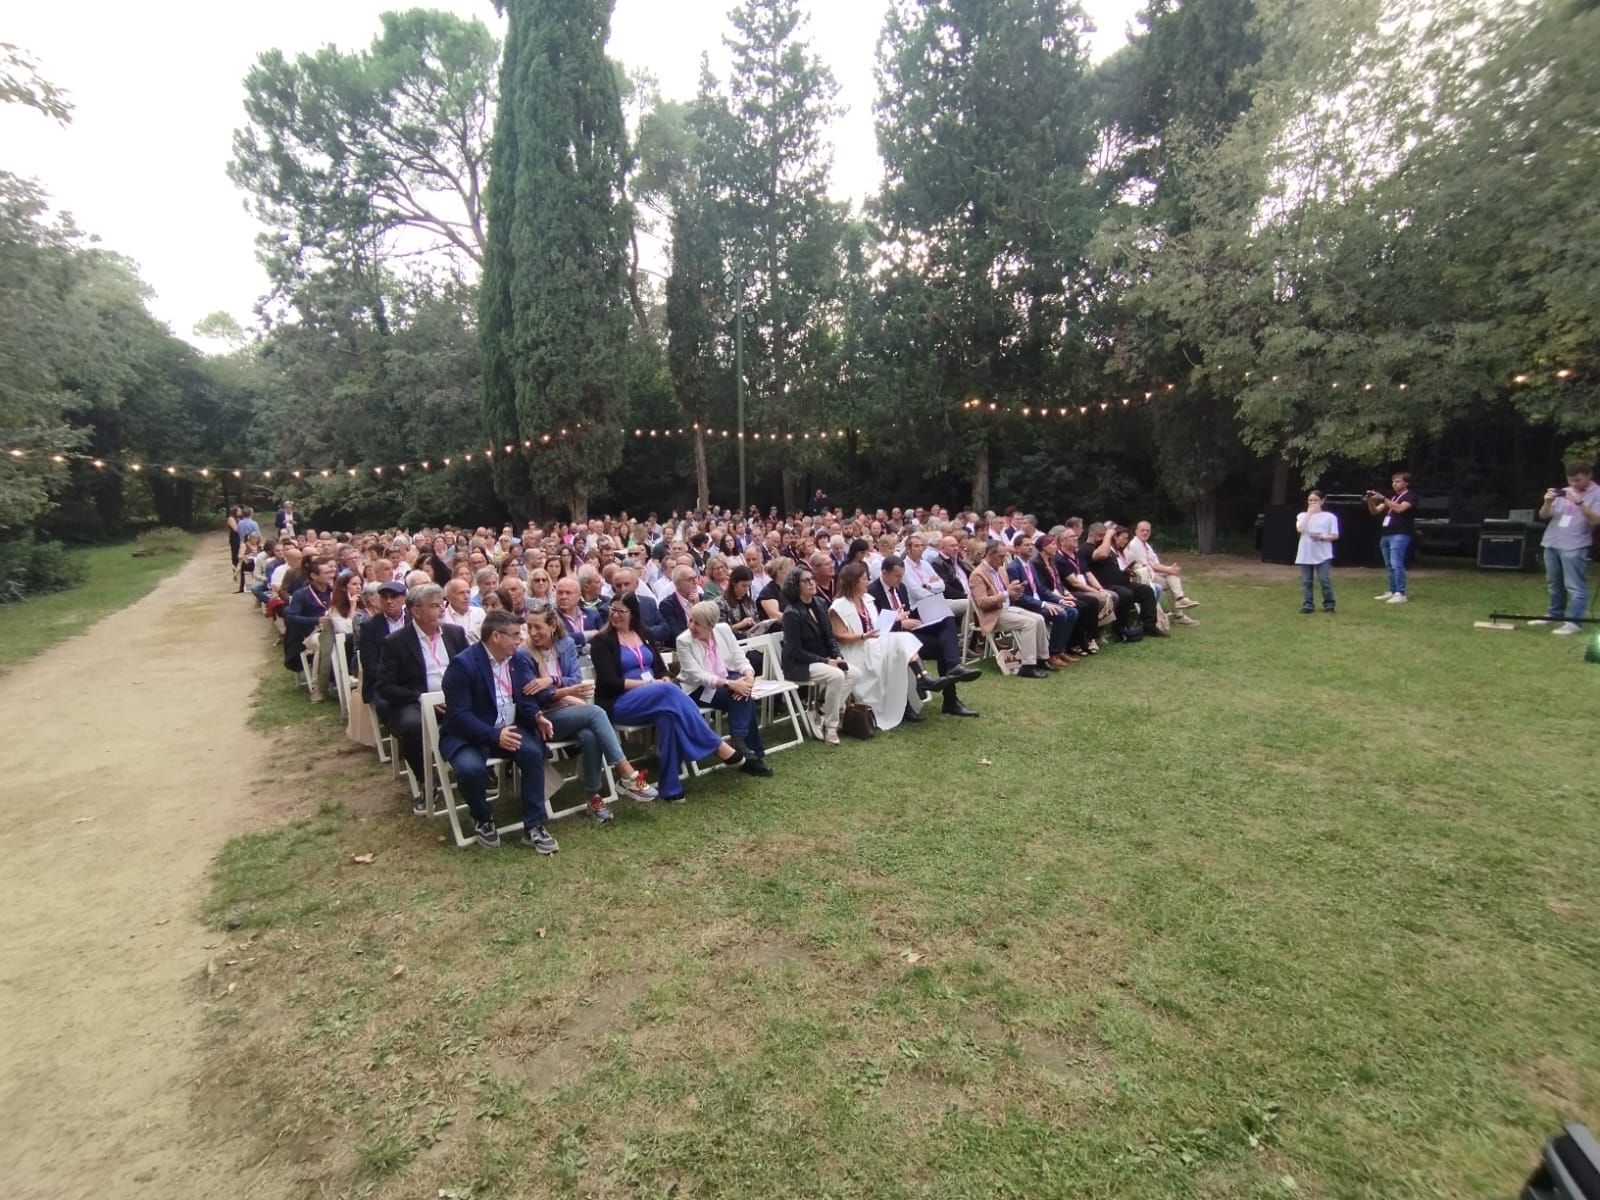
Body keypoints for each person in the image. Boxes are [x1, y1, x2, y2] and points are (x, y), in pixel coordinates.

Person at [590, 592, 759, 803]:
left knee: (669, 716)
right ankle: (717, 746)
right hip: (620, 702)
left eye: (621, 611)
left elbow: (661, 670)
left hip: (656, 699)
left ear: (633, 613)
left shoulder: (644, 634)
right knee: (669, 691)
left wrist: (665, 679)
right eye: (612, 610)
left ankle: (670, 787)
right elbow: (608, 682)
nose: (615, 615)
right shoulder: (601, 641)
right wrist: (652, 684)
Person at [439, 610, 560, 852]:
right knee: (470, 768)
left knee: (533, 752)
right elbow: (459, 715)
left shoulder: (516, 660)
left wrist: (536, 717)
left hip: (509, 728)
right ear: (496, 636)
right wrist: (495, 735)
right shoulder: (463, 664)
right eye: (515, 635)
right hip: (469, 735)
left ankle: (534, 825)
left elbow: (525, 699)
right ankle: (483, 818)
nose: (520, 639)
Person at [522, 608, 658, 823]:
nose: (532, 632)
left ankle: (593, 798)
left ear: (552, 626)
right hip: (542, 717)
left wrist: (554, 682)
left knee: (590, 735)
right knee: (596, 713)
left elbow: (575, 679)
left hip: (570, 710)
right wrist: (563, 692)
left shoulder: (565, 646)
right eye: (529, 627)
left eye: (537, 626)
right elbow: (534, 695)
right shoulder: (524, 653)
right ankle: (627, 774)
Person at [376, 583, 468, 793]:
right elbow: (385, 687)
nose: (442, 609)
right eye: (435, 605)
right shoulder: (395, 642)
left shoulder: (455, 633)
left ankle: (479, 768)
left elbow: (471, 668)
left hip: (455, 698)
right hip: (416, 701)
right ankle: (426, 781)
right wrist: (422, 698)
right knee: (411, 726)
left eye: (442, 603)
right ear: (416, 612)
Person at [830, 562, 944, 729]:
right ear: (853, 582)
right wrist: (863, 636)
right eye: (863, 579)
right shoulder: (838, 606)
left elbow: (877, 626)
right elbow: (840, 635)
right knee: (901, 645)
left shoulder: (867, 600)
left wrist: (894, 618)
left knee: (903, 642)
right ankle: (920, 680)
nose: (868, 581)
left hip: (875, 642)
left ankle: (919, 682)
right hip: (856, 649)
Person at [870, 556, 980, 717]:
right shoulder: (872, 592)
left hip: (909, 635)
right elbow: (875, 626)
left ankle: (953, 676)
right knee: (941, 643)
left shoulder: (900, 588)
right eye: (897, 576)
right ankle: (927, 692)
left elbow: (907, 612)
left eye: (902, 576)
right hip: (890, 639)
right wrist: (900, 623)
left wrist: (924, 615)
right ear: (884, 573)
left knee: (946, 619)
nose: (900, 580)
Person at [676, 602, 774, 775]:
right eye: (690, 620)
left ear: (711, 625)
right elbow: (697, 675)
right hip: (698, 689)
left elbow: (739, 658)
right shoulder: (683, 641)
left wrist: (749, 676)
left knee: (743, 692)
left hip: (726, 680)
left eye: (697, 623)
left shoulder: (723, 630)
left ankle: (742, 746)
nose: (691, 626)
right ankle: (749, 751)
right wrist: (732, 684)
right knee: (740, 693)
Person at [780, 567, 858, 744]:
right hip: (799, 664)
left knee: (854, 673)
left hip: (823, 660)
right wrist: (826, 661)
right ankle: (831, 727)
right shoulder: (791, 613)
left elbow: (830, 637)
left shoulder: (821, 603)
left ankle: (821, 709)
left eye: (812, 579)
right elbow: (794, 650)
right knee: (837, 675)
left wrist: (837, 656)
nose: (812, 583)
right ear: (795, 586)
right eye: (806, 581)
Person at [1531, 461, 1600, 635]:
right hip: (1552, 541)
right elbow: (1544, 515)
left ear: (1589, 476)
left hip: (1575, 544)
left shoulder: (1597, 494)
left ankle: (1574, 622)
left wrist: (1580, 503)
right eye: (1570, 480)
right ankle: (1554, 615)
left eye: (1578, 480)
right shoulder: (1564, 491)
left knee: (1574, 585)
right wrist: (1547, 502)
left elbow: (1596, 521)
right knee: (1554, 583)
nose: (1573, 484)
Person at [968, 540, 1052, 677]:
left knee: (1039, 619)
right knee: (1029, 623)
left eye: (1005, 556)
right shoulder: (977, 575)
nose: (1004, 560)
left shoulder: (1000, 569)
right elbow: (982, 602)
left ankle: (1042, 658)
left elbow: (1007, 591)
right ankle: (1027, 666)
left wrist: (1015, 590)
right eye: (1001, 556)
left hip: (1007, 609)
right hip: (993, 614)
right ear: (990, 554)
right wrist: (1007, 593)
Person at [1006, 537, 1080, 666]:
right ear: (1017, 548)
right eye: (1026, 545)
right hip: (1026, 605)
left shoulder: (1030, 565)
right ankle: (1052, 654)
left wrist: (1060, 600)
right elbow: (1020, 597)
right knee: (1060, 614)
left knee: (1072, 611)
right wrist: (1044, 604)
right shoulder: (1013, 568)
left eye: (1031, 545)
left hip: (1039, 601)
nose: (1030, 547)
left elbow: (1041, 589)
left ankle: (1061, 650)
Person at [1127, 521, 1198, 623]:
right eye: (1142, 530)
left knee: (1171, 576)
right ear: (1136, 531)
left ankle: (1180, 600)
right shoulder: (1134, 545)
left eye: (1148, 531)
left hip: (1150, 574)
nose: (1145, 533)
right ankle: (1179, 612)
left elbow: (1156, 563)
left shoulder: (1146, 545)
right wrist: (1168, 569)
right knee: (1170, 582)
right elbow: (1149, 566)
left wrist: (1169, 569)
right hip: (1140, 577)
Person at [1366, 472, 1416, 604]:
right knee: (1389, 564)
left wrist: (1383, 499)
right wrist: (1370, 501)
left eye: (1398, 481)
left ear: (1407, 483)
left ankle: (1401, 593)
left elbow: (1400, 509)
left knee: (1396, 563)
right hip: (1387, 534)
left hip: (1400, 534)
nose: (1394, 484)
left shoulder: (1410, 496)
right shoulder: (1393, 497)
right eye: (1393, 481)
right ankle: (1393, 591)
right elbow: (1375, 511)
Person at [1295, 491, 1340, 613]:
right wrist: (1309, 514)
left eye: (1315, 500)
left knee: (1324, 579)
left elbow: (1335, 535)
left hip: (1323, 553)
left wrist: (1322, 537)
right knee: (1306, 581)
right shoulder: (1301, 515)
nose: (1312, 503)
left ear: (1322, 501)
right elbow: (1300, 529)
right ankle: (1308, 604)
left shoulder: (1329, 517)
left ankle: (1329, 604)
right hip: (1306, 552)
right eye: (1310, 500)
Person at [441, 577, 486, 643]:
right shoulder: (442, 616)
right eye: (461, 593)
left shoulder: (479, 613)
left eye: (468, 592)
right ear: (448, 597)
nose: (466, 597)